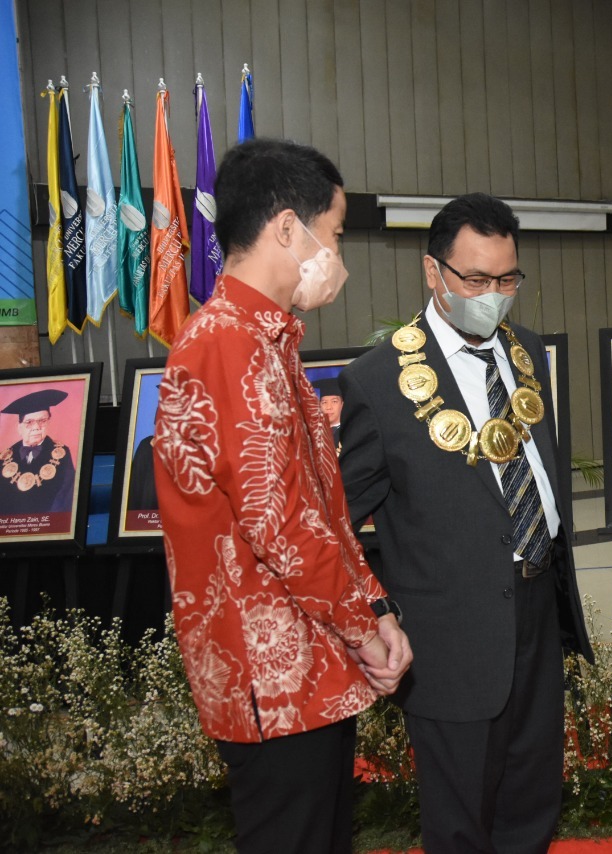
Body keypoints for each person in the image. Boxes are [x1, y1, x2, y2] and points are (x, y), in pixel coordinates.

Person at [152, 138, 412, 854]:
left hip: (309, 667)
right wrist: (366, 632)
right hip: (272, 682)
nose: (339, 256)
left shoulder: (267, 343)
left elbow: (324, 509)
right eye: (334, 234)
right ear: (288, 228)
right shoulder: (225, 344)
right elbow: (281, 525)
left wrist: (374, 608)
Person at [338, 192, 592, 853]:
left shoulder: (526, 350)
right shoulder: (377, 381)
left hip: (537, 612)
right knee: (460, 822)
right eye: (476, 280)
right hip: (450, 639)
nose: (494, 296)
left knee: (532, 802)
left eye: (508, 280)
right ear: (433, 272)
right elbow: (336, 524)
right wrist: (376, 610)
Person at [0, 389, 78, 517]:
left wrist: (46, 524)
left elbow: (66, 496)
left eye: (42, 421)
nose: (36, 427)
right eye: (29, 422)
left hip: (48, 522)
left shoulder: (62, 453)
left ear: (49, 422)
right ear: (19, 427)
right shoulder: (4, 458)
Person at [315, 377, 344, 446]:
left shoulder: (350, 432)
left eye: (334, 401)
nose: (328, 407)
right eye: (324, 402)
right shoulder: (314, 434)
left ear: (342, 404)